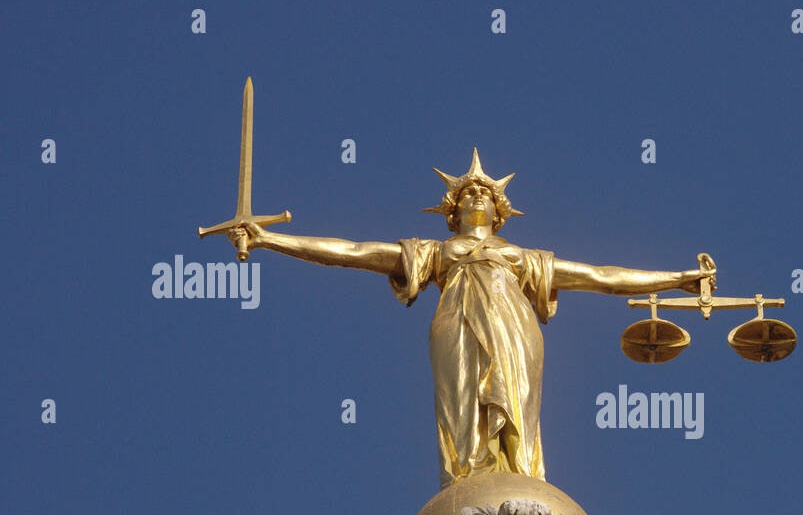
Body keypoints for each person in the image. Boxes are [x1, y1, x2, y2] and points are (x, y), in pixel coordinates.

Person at [230, 150, 710, 488]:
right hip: (456, 326)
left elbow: (602, 276)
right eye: (467, 194)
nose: (476, 196)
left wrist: (677, 279)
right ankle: (469, 479)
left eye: (484, 193)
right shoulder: (438, 254)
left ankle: (518, 476)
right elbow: (355, 252)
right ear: (452, 210)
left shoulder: (523, 259)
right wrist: (271, 240)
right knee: (462, 414)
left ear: (500, 213)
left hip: (514, 331)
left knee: (518, 413)